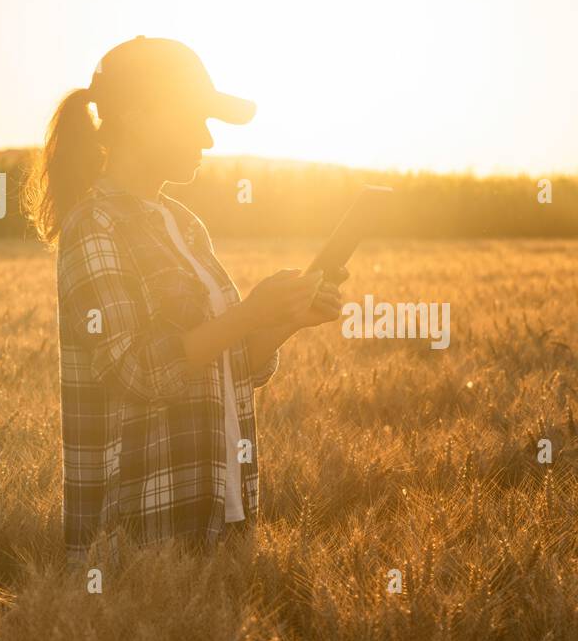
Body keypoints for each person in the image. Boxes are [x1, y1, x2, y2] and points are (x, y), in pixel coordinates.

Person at [25, 36, 344, 566]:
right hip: (138, 534)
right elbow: (136, 372)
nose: (207, 139)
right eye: (195, 118)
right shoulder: (95, 225)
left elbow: (226, 365)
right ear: (137, 116)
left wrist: (284, 321)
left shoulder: (183, 224)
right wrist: (249, 312)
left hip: (219, 508)